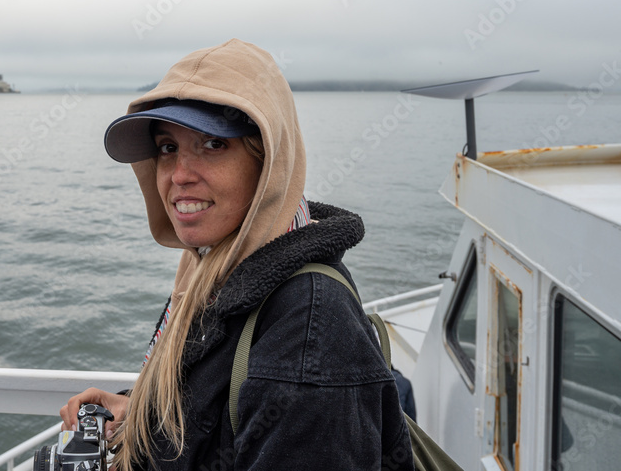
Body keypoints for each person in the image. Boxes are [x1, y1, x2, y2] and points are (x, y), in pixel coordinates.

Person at [60, 39, 413, 470]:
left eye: (212, 145)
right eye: (168, 148)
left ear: (267, 162)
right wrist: (138, 410)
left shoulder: (308, 332)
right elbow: (215, 404)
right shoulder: (214, 267)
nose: (180, 176)